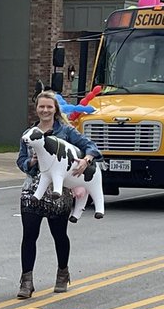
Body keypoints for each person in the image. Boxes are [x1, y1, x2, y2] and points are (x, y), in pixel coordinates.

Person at [16, 90, 102, 298]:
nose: (45, 110)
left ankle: (63, 272)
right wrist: (31, 163)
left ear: (55, 109)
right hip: (33, 187)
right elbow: (21, 160)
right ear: (36, 108)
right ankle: (26, 281)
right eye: (41, 106)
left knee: (59, 234)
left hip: (59, 189)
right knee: (29, 234)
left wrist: (86, 159)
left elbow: (90, 146)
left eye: (49, 107)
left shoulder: (66, 131)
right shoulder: (29, 133)